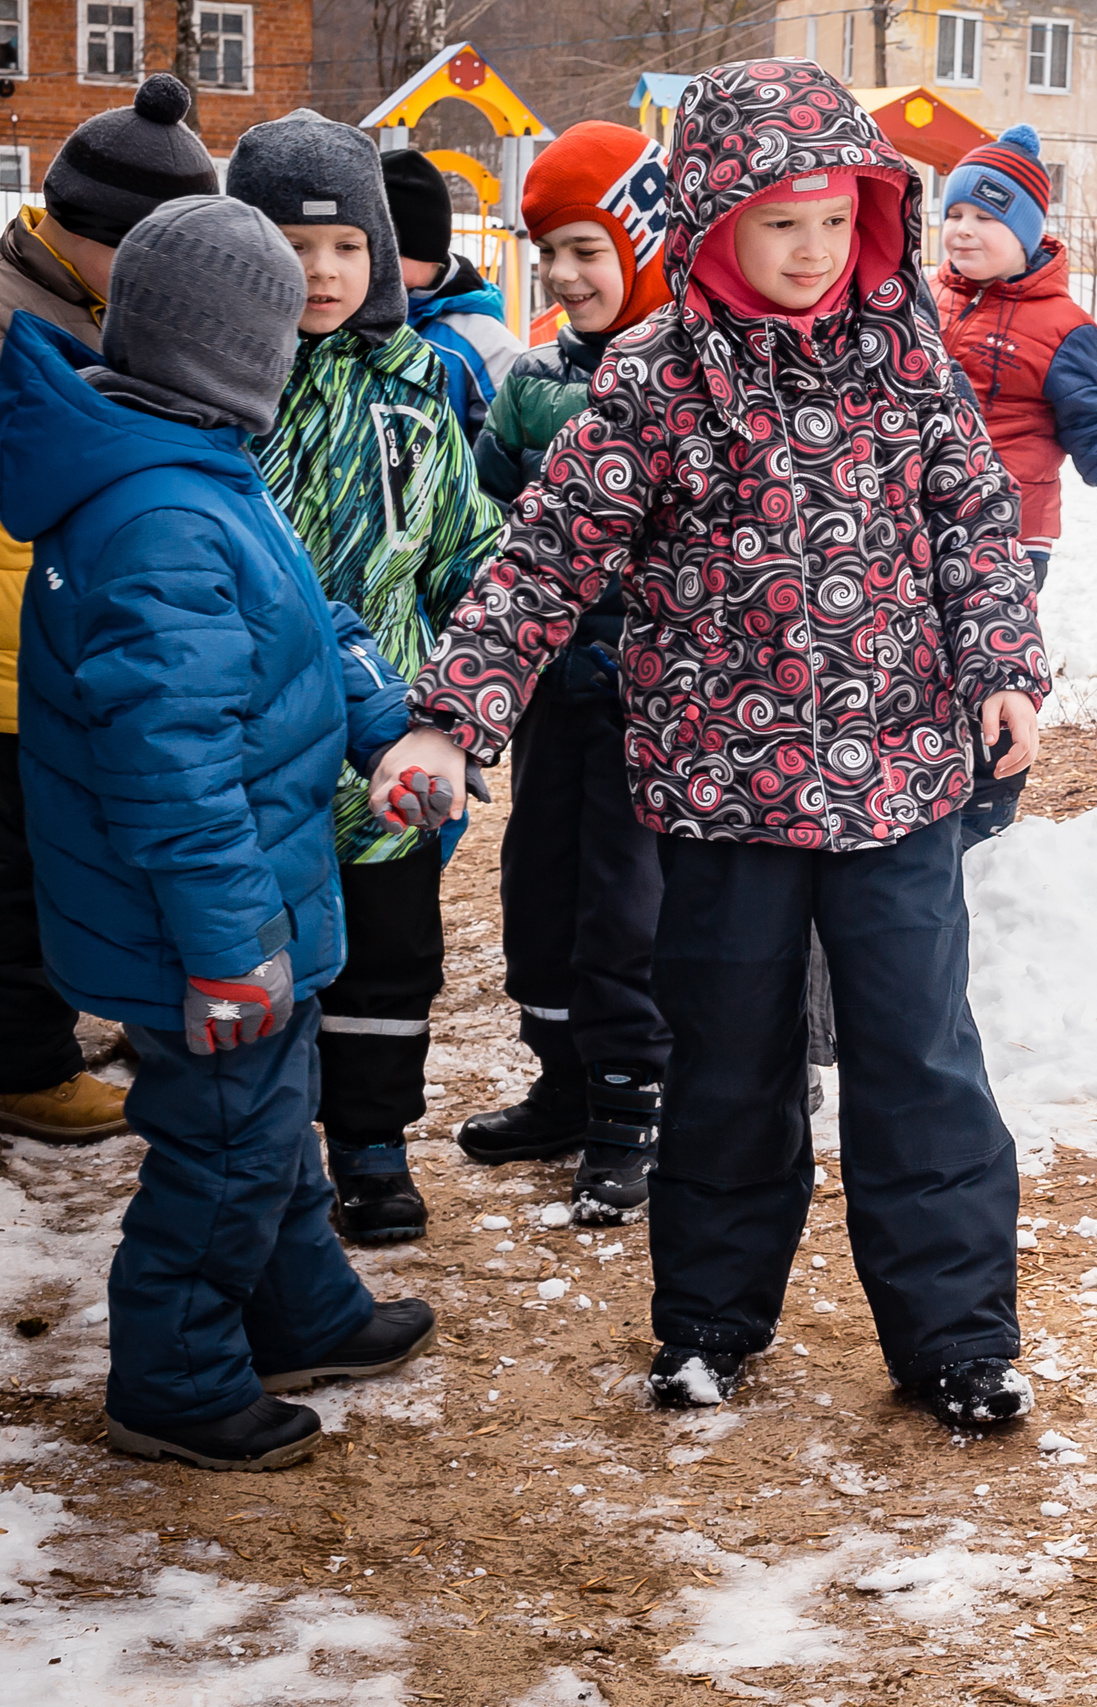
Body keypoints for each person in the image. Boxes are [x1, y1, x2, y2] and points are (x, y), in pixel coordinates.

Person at [385, 60, 1047, 1422]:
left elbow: (975, 525)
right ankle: (706, 1320)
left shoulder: (905, 351)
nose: (810, 252)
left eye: (831, 219)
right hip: (723, 793)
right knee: (731, 1065)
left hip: (900, 782)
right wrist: (457, 716)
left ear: (870, 215)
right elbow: (544, 556)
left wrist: (1004, 668)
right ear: (711, 221)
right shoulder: (660, 382)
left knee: (921, 1064)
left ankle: (959, 1336)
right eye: (776, 222)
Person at [0, 194, 439, 1471]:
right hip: (200, 928)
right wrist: (230, 949)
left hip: (242, 900)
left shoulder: (189, 470)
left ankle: (307, 1310)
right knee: (226, 1151)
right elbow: (171, 773)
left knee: (265, 1119)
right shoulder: (157, 522)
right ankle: (176, 1381)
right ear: (239, 354)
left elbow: (307, 624)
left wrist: (379, 729)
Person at [227, 110, 506, 1245]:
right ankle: (272, 1154)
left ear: (382, 258)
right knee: (267, 965)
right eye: (293, 250)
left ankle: (376, 1150)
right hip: (258, 751)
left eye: (347, 247)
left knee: (393, 963)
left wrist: (480, 665)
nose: (324, 271)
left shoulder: (415, 394)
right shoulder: (223, 394)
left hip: (390, 755)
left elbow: (462, 549)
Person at [453, 121, 677, 1223]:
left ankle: (632, 1110)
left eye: (587, 249)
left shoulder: (689, 372)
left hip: (658, 702)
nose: (564, 275)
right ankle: (562, 1083)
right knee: (537, 891)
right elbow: (484, 511)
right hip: (553, 684)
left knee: (625, 910)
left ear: (642, 237)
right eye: (548, 254)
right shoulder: (536, 380)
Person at [0, 73, 217, 1146]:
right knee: (10, 874)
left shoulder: (75, 298)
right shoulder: (18, 321)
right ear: (91, 233)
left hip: (58, 638)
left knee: (71, 851)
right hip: (7, 655)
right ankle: (24, 1062)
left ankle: (75, 1016)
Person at [932, 123, 1097, 847]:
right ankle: (927, 789)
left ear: (1026, 231)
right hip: (917, 518)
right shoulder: (926, 301)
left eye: (986, 217)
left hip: (1013, 530)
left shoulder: (1063, 327)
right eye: (954, 213)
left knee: (989, 657)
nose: (962, 230)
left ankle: (990, 805)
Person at [382, 147, 525, 441]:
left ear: (427, 252)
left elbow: (509, 450)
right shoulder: (356, 316)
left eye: (388, 253)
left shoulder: (479, 340)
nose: (375, 266)